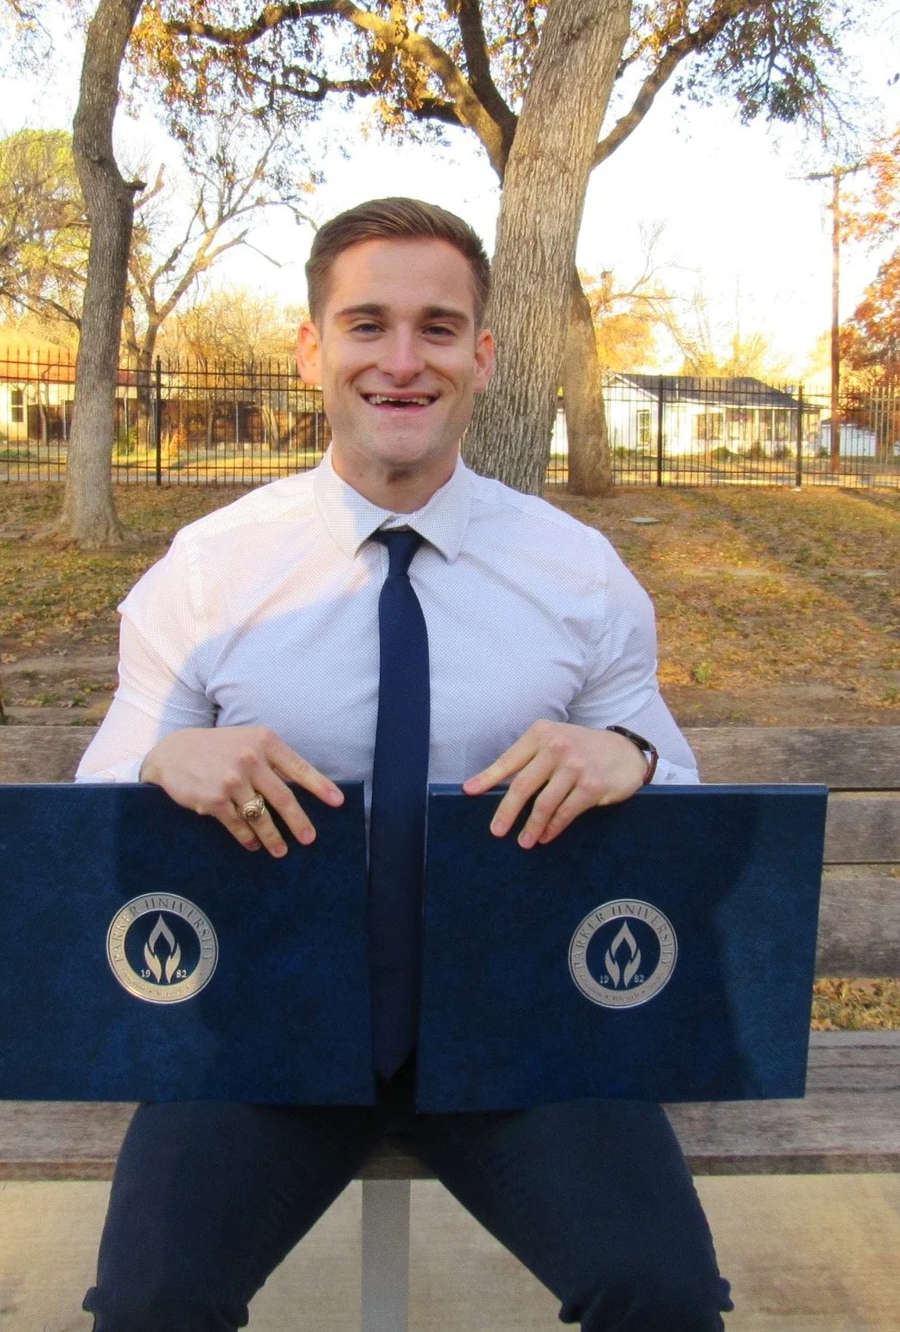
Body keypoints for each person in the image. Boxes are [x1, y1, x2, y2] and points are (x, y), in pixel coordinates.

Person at [75, 198, 733, 1332]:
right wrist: (169, 756)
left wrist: (624, 754)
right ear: (311, 348)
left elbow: (681, 796)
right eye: (365, 323)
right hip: (267, 1028)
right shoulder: (212, 569)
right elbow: (98, 798)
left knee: (665, 1296)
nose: (400, 360)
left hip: (524, 1026)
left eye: (437, 327)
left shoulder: (578, 574)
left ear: (482, 355)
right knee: (149, 1301)